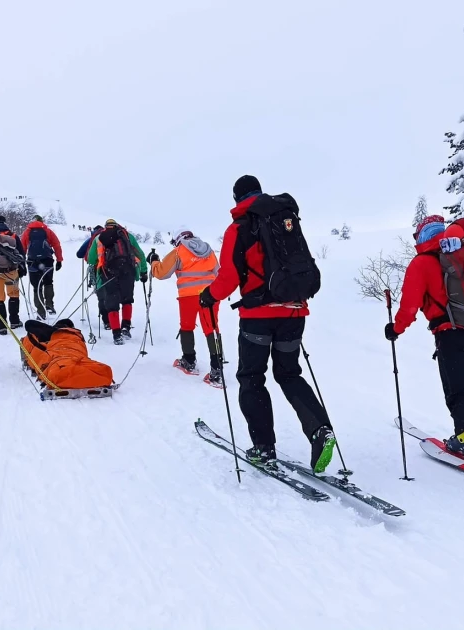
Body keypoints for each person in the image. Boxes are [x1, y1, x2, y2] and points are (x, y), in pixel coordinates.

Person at [199, 175, 335, 473]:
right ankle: (320, 430)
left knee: (251, 377)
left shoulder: (240, 227)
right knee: (289, 374)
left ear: (237, 198)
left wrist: (209, 296)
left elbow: (230, 278)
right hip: (295, 312)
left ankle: (263, 447)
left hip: (258, 318)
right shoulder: (285, 220)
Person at [384, 214, 464, 473]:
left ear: (421, 237)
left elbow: (409, 306)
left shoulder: (422, 264)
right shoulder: (458, 254)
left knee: (457, 396)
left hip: (450, 335)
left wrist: (395, 329)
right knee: (461, 387)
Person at [148, 228, 222, 384]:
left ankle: (188, 360)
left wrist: (153, 261)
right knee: (212, 328)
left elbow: (162, 273)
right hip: (210, 294)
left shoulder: (179, 251)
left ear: (177, 239)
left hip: (188, 296)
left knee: (187, 326)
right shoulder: (208, 249)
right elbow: (218, 271)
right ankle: (217, 368)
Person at [86, 219, 148, 345]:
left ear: (105, 227)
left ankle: (116, 334)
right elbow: (140, 254)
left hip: (108, 274)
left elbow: (91, 259)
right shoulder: (127, 236)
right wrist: (143, 271)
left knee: (112, 303)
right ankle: (126, 327)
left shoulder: (99, 238)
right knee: (127, 300)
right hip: (127, 272)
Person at [20, 214, 64, 319]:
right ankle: (49, 304)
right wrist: (59, 260)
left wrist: (22, 263)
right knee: (48, 283)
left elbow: (22, 249)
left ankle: (41, 311)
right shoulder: (48, 231)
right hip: (47, 261)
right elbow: (57, 245)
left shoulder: (27, 232)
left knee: (37, 287)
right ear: (42, 221)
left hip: (32, 262)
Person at [77, 225, 108, 329]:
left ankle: (106, 319)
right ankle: (114, 318)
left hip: (97, 269)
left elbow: (79, 254)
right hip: (112, 268)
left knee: (101, 294)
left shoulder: (93, 239)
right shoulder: (113, 238)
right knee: (112, 293)